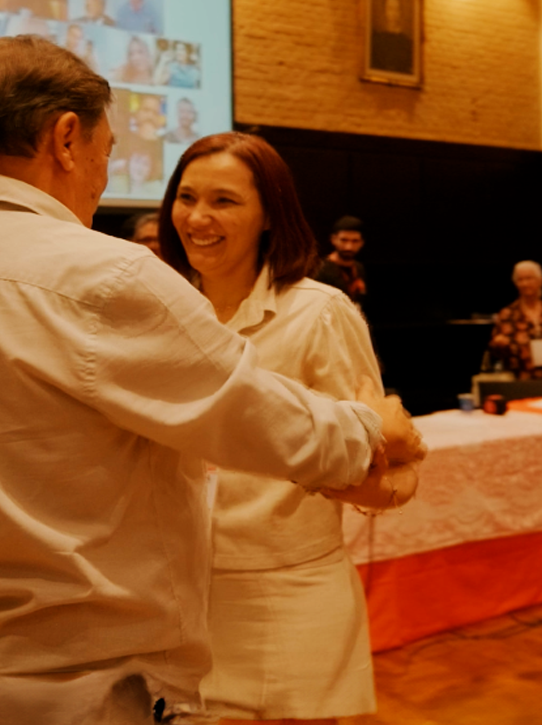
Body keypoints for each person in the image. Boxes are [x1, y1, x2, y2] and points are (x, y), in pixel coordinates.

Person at [0, 36, 424, 725]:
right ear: (65, 139)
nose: (104, 178)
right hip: (89, 669)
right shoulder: (103, 274)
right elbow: (252, 414)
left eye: (224, 200)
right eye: (107, 151)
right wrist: (374, 429)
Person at [159, 132, 420, 724]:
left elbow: (388, 458)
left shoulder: (319, 312)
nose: (197, 218)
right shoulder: (163, 308)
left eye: (224, 201)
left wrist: (350, 474)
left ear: (271, 214)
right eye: (186, 197)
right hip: (174, 593)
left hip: (285, 592)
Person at [315, 215, 367, 310]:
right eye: (344, 240)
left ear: (361, 243)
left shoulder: (359, 267)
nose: (349, 247)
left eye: (355, 241)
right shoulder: (320, 269)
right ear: (333, 240)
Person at [370, 0, 413, 75]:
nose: (394, 14)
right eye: (390, 9)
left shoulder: (408, 43)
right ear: (384, 11)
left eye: (397, 9)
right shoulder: (376, 40)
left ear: (400, 12)